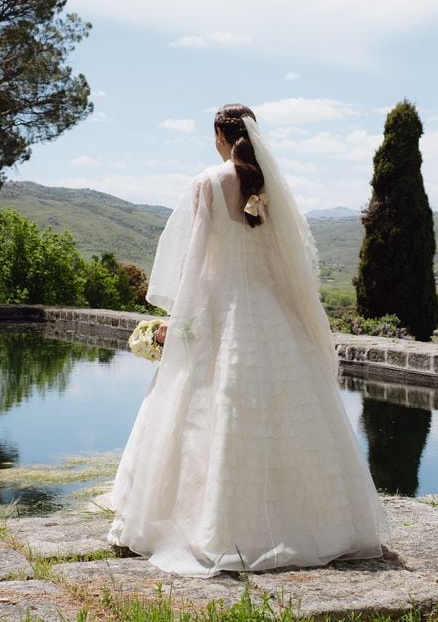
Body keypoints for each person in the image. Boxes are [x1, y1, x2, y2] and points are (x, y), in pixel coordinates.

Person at [107, 104, 388, 576]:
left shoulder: (208, 183)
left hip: (219, 305)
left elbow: (195, 258)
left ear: (221, 134)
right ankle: (308, 521)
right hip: (267, 307)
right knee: (285, 410)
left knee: (203, 405)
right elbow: (284, 262)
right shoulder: (269, 188)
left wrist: (181, 317)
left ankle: (209, 524)